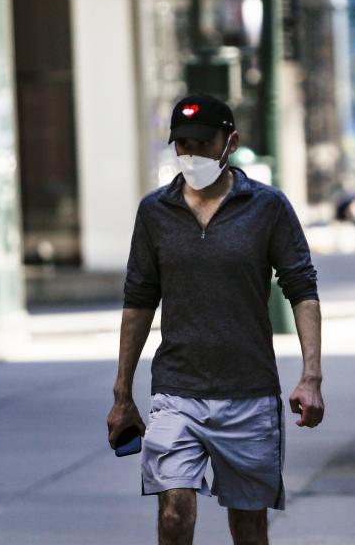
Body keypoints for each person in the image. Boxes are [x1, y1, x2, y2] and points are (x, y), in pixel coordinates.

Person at [106, 93, 324, 545]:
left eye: (202, 143)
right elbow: (138, 300)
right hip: (176, 391)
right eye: (181, 143)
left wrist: (311, 376)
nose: (190, 154)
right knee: (174, 512)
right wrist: (122, 392)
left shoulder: (268, 207)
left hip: (249, 395)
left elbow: (301, 287)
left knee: (248, 529)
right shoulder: (155, 212)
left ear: (231, 142)